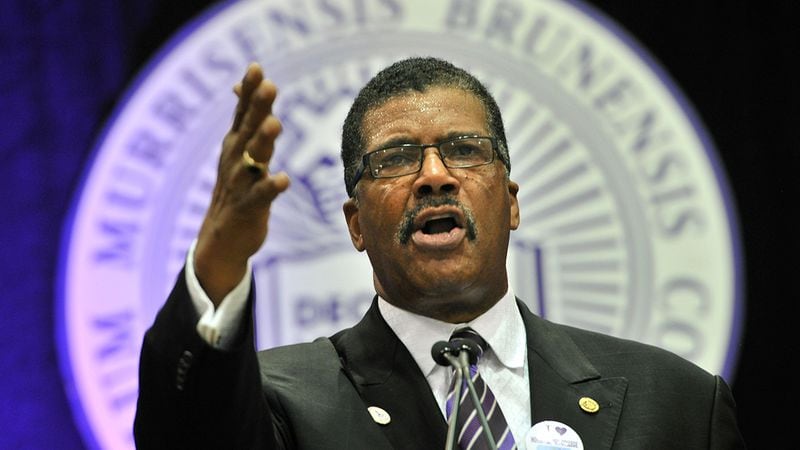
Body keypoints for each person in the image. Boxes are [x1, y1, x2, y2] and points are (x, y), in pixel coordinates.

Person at [134, 57, 746, 449]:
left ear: (509, 203)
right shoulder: (280, 403)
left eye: (464, 148)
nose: (434, 175)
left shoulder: (678, 405)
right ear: (356, 224)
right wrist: (217, 267)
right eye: (396, 159)